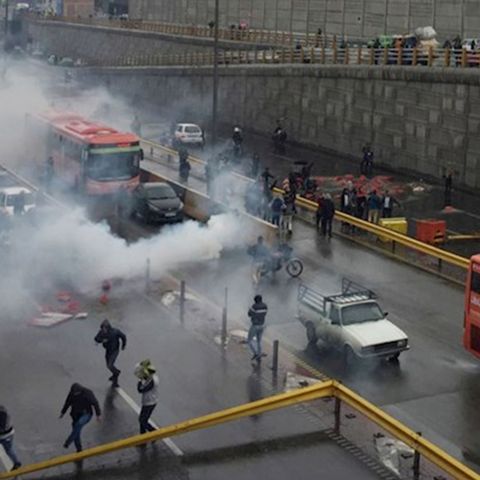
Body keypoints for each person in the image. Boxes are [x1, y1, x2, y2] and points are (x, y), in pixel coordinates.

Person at [60, 383, 101, 453]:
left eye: (76, 393)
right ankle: (79, 449)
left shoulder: (88, 393)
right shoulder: (72, 394)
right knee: (76, 431)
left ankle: (68, 441)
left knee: (78, 425)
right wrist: (63, 412)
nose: (75, 394)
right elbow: (67, 403)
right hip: (75, 415)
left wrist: (98, 415)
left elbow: (95, 403)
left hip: (86, 414)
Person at [94, 319, 127, 387]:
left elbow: (123, 336)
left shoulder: (115, 332)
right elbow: (96, 338)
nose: (104, 330)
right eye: (102, 328)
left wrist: (123, 345)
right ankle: (115, 373)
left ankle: (116, 377)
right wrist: (102, 340)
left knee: (110, 365)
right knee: (108, 365)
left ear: (108, 328)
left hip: (115, 350)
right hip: (108, 350)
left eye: (105, 328)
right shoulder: (101, 332)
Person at [135, 359, 159, 435]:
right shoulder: (151, 377)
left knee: (142, 420)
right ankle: (143, 435)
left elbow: (141, 390)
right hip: (148, 401)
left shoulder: (152, 381)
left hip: (150, 402)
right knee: (143, 420)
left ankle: (154, 432)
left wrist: (139, 380)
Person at [247, 295, 268, 364]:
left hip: (255, 325)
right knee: (259, 341)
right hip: (262, 325)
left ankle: (256, 353)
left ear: (255, 300)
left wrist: (250, 309)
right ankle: (259, 354)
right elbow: (264, 313)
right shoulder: (265, 306)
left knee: (249, 340)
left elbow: (249, 314)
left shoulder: (254, 306)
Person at [0, 406, 21, 471]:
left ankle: (17, 463)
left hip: (6, 436)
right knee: (9, 450)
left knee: (9, 450)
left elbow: (2, 428)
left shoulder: (2, 412)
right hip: (4, 434)